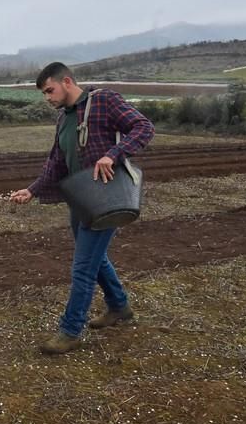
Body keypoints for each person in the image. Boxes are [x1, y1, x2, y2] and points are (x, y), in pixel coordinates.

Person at [10, 62, 154, 354]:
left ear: (66, 82)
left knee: (82, 269)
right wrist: (32, 190)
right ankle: (119, 307)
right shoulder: (64, 119)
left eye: (50, 90)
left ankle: (71, 330)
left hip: (106, 200)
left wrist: (112, 155)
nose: (47, 97)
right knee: (94, 260)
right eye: (44, 94)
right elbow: (55, 163)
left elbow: (144, 127)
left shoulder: (104, 101)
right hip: (80, 199)